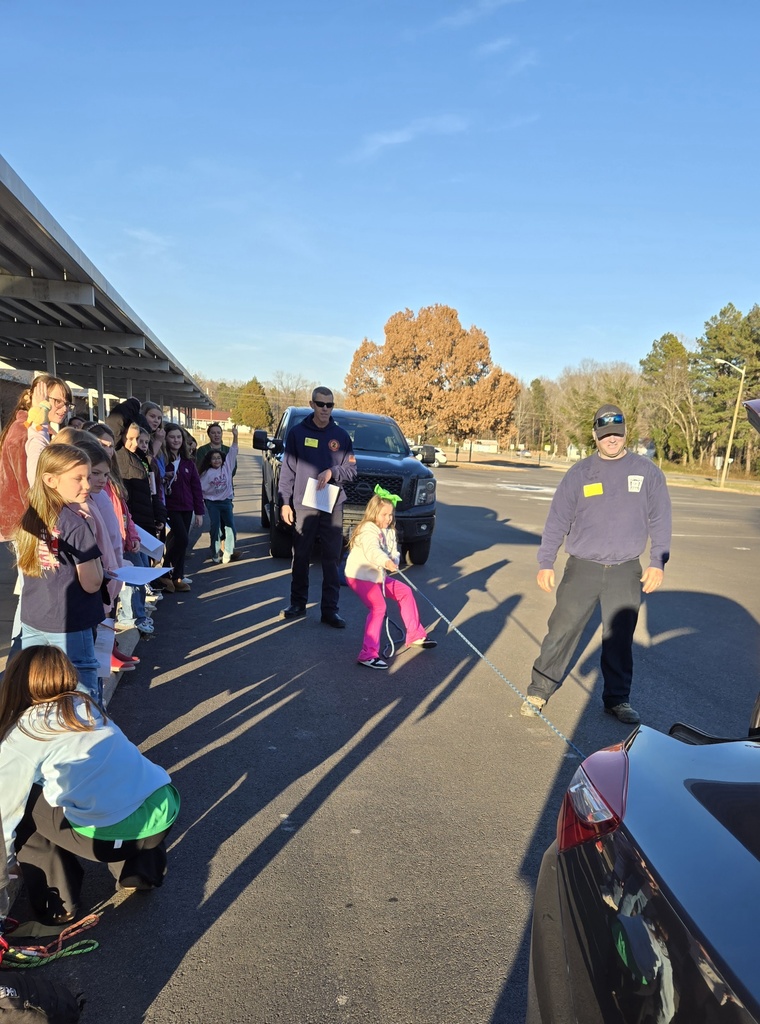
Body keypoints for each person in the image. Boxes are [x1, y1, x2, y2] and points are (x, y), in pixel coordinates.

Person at [0, 646, 178, 925]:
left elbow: (3, 816)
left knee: (26, 802)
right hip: (162, 812)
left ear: (15, 682)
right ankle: (141, 871)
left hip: (110, 839)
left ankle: (58, 906)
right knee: (117, 781)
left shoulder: (24, 732)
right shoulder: (84, 704)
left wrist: (4, 871)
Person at [521, 404, 672, 724]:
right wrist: (545, 561)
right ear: (595, 436)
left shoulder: (647, 473)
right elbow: (557, 519)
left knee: (619, 638)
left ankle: (617, 699)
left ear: (625, 432)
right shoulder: (579, 473)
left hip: (626, 569)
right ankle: (539, 688)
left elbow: (660, 519)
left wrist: (657, 561)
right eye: (605, 435)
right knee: (561, 630)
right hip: (582, 568)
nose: (611, 440)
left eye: (617, 434)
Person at [13, 444, 105, 699]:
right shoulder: (75, 523)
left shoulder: (30, 517)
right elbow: (92, 583)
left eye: (88, 477)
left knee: (37, 686)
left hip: (34, 616)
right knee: (81, 684)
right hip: (71, 621)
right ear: (51, 480)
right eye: (78, 478)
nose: (86, 485)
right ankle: (88, 732)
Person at [278, 387, 357, 627]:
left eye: (329, 405)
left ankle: (330, 610)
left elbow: (352, 470)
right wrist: (284, 502)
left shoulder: (341, 437)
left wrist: (333, 471)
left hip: (331, 504)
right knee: (301, 555)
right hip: (304, 503)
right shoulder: (297, 433)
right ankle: (298, 603)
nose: (325, 409)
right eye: (320, 404)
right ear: (312, 404)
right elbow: (287, 471)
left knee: (331, 558)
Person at [345, 491, 436, 669]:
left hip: (377, 577)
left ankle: (415, 635)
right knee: (378, 607)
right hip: (360, 576)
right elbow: (373, 550)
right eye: (384, 514)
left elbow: (394, 552)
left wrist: (392, 560)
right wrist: (384, 560)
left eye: (391, 514)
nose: (388, 518)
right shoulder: (368, 530)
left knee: (405, 592)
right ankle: (368, 654)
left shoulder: (389, 532)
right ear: (374, 513)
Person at [163, 423, 204, 592]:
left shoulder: (188, 462)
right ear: (166, 438)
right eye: (172, 437)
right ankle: (165, 571)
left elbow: (196, 488)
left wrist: (199, 511)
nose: (176, 440)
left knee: (181, 541)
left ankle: (177, 576)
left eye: (179, 437)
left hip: (187, 507)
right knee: (181, 539)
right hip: (170, 507)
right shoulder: (163, 460)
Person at [198, 426, 239, 563]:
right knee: (215, 526)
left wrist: (235, 436)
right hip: (212, 503)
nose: (216, 460)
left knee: (230, 526)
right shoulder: (206, 473)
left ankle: (228, 550)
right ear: (209, 461)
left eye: (218, 458)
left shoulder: (227, 467)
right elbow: (200, 489)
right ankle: (215, 551)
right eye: (213, 459)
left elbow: (233, 452)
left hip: (226, 501)